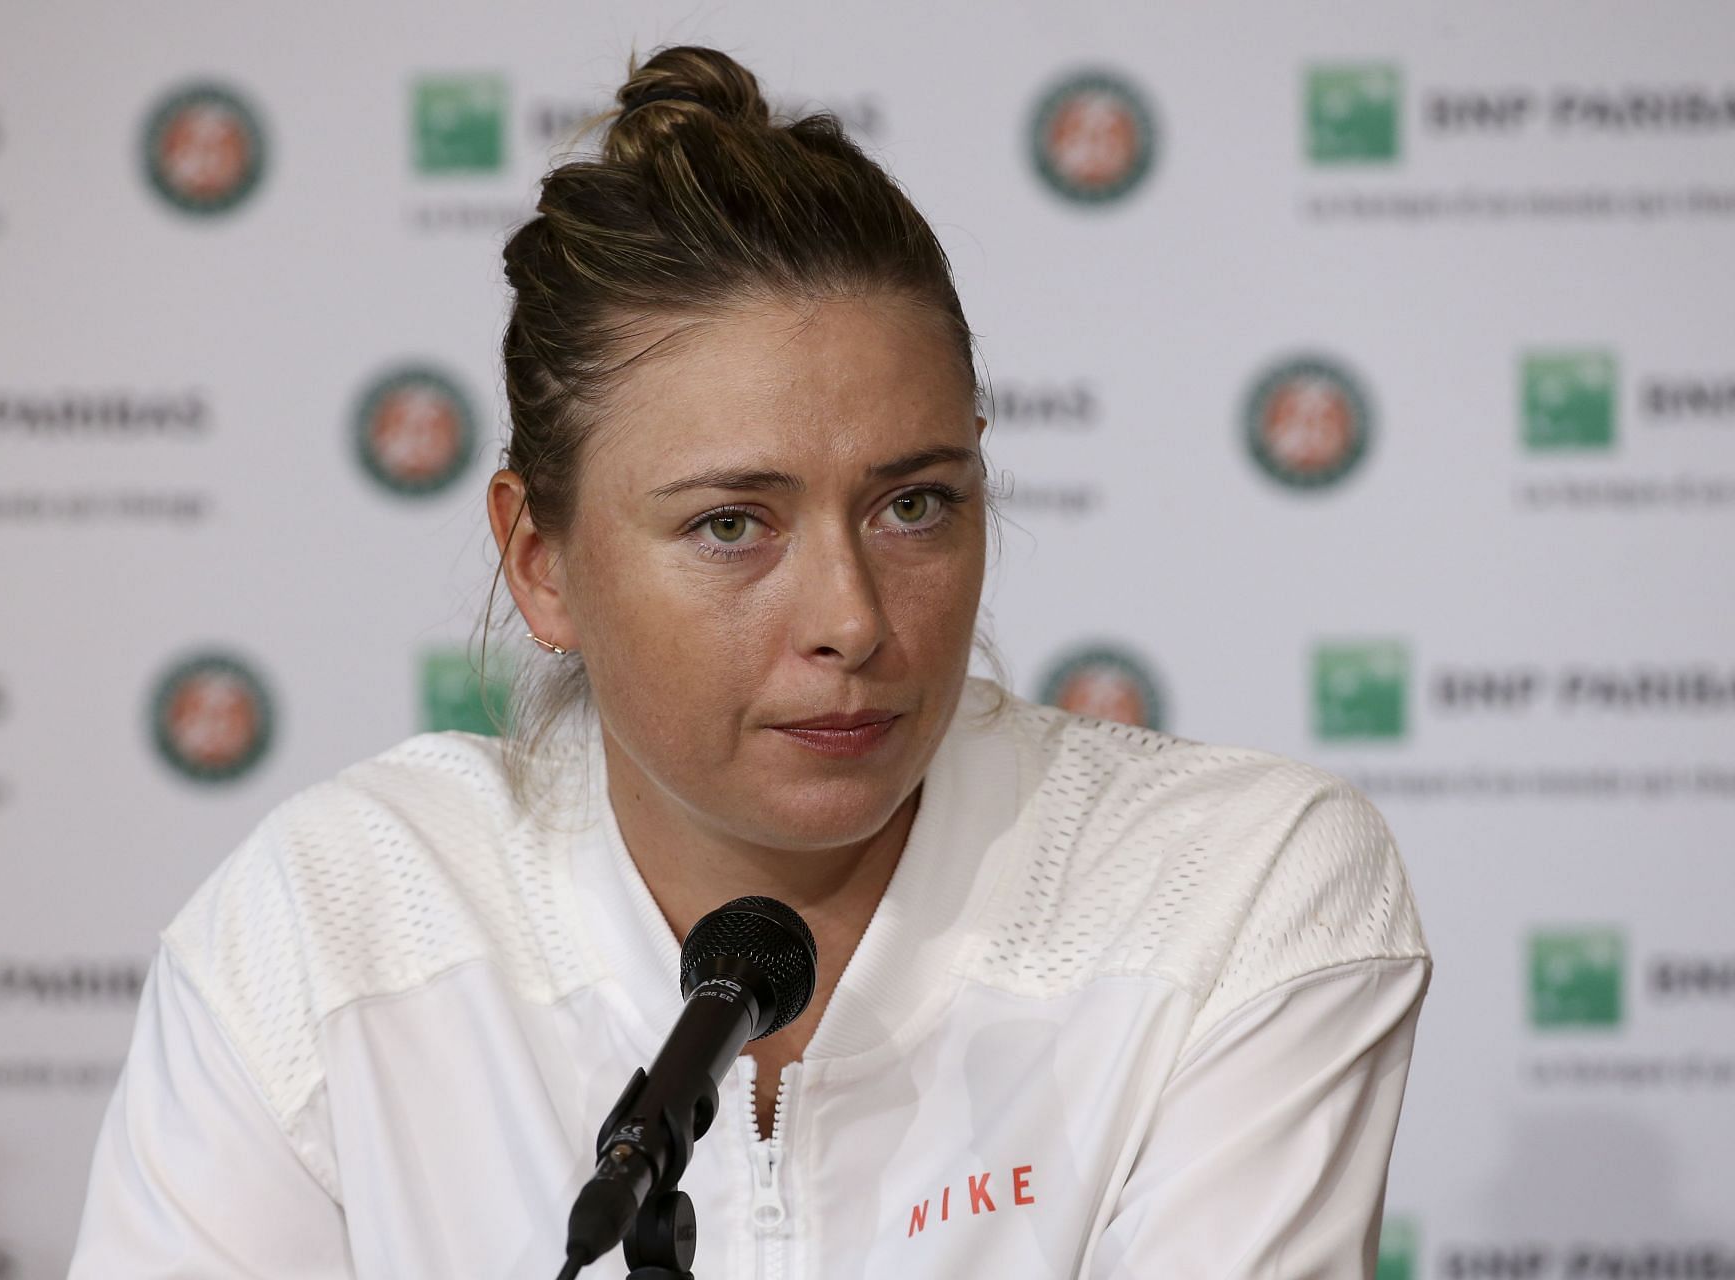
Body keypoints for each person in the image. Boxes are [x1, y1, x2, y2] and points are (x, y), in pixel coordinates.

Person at [69, 44, 1430, 1278]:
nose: (852, 618)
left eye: (916, 504)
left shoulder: (1238, 890)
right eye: (732, 525)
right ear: (540, 557)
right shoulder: (325, 932)